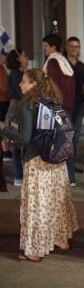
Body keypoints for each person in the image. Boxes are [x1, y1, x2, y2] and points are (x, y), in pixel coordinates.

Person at [1, 69, 78, 262]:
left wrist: (5, 131)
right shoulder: (51, 102)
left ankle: (34, 249)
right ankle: (61, 239)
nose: (20, 85)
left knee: (38, 204)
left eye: (24, 82)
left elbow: (26, 138)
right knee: (55, 201)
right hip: (56, 160)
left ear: (34, 84)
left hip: (37, 162)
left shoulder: (28, 104)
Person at [65, 37, 84, 186]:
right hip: (66, 106)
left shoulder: (81, 65)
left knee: (75, 136)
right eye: (72, 46)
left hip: (80, 105)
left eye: (77, 47)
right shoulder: (62, 64)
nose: (74, 49)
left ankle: (71, 164)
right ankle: (67, 169)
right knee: (67, 135)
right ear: (67, 47)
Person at [6, 49, 28, 187]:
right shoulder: (16, 75)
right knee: (18, 146)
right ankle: (19, 176)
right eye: (24, 55)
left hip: (19, 111)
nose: (27, 58)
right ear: (18, 59)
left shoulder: (19, 73)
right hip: (17, 112)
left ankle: (21, 175)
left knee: (20, 146)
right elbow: (21, 94)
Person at [42, 34, 76, 114]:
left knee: (58, 126)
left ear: (53, 47)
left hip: (56, 106)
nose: (44, 49)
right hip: (67, 103)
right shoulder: (63, 59)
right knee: (65, 126)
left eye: (46, 46)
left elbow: (52, 84)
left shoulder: (52, 62)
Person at [0, 53, 12, 161]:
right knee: (2, 125)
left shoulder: (2, 69)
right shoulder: (0, 70)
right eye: (3, 55)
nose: (5, 58)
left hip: (2, 100)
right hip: (2, 101)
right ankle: (5, 151)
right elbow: (4, 88)